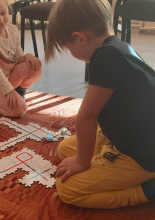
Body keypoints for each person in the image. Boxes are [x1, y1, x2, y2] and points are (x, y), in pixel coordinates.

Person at [45, 0, 155, 209]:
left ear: (79, 38)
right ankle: (107, 160)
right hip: (130, 137)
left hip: (143, 155)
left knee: (67, 188)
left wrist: (82, 162)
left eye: (68, 47)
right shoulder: (117, 46)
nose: (70, 53)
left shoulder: (105, 57)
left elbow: (86, 117)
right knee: (64, 149)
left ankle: (145, 191)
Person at [0, 0, 42, 117]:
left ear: (8, 7)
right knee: (20, 110)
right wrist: (9, 91)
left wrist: (27, 57)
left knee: (35, 67)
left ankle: (19, 92)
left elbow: (17, 58)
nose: (0, 20)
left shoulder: (12, 29)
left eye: (3, 13)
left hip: (10, 77)